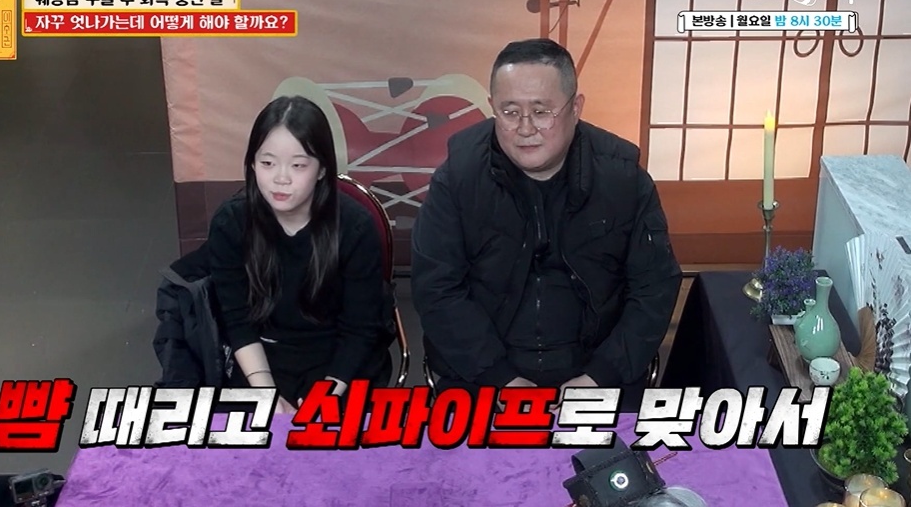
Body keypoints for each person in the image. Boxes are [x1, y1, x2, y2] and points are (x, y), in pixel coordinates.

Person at [411, 38, 682, 411]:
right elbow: (437, 288)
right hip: (482, 375)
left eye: (541, 112)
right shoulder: (458, 177)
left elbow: (654, 289)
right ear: (492, 107)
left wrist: (599, 377)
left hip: (598, 374)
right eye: (509, 112)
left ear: (576, 108)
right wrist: (501, 380)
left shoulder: (622, 178)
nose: (525, 128)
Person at [207, 95, 393, 414]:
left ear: (322, 169)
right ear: (252, 164)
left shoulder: (355, 226)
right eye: (267, 163)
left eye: (298, 165)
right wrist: (266, 394)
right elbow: (237, 323)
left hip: (340, 359)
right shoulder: (231, 223)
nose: (281, 178)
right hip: (262, 357)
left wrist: (324, 396)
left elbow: (360, 329)